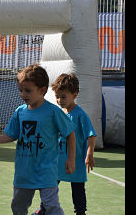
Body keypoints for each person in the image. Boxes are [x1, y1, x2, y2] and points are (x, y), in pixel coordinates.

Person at [0, 63, 76, 215]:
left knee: (51, 207)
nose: (23, 94)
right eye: (21, 90)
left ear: (42, 90)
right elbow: (11, 135)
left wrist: (71, 159)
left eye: (28, 90)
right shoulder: (20, 112)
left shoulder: (53, 112)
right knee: (18, 207)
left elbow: (70, 133)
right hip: (24, 172)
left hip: (46, 171)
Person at [34, 73, 97, 215]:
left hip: (75, 161)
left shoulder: (80, 115)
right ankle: (43, 209)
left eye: (63, 97)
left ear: (74, 95)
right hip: (57, 160)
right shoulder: (58, 112)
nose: (59, 100)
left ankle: (80, 212)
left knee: (78, 189)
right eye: (57, 96)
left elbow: (91, 135)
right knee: (50, 185)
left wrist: (89, 154)